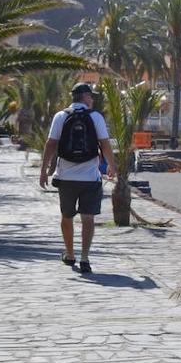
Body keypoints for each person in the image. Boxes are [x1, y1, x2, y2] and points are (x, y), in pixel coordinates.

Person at [39, 83, 116, 273]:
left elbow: (51, 144)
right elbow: (105, 144)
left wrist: (43, 170)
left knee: (67, 216)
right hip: (90, 178)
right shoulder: (95, 116)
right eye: (91, 96)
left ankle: (70, 254)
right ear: (86, 97)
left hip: (66, 177)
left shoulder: (61, 116)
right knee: (88, 218)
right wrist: (112, 165)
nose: (92, 100)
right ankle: (84, 258)